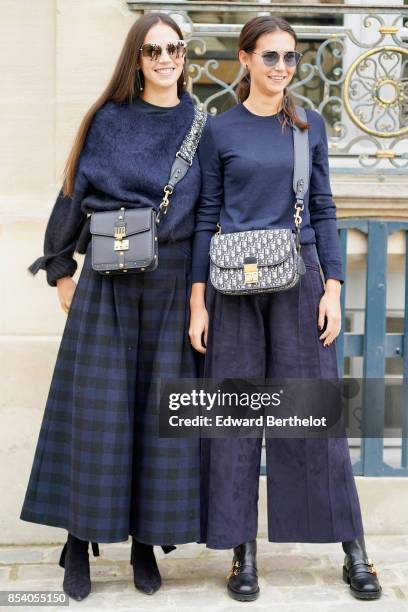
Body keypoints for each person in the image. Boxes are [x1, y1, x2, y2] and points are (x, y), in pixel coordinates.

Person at [189, 15, 382, 602]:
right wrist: (198, 301)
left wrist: (334, 288)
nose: (281, 68)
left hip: (299, 280)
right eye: (269, 57)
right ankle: (242, 556)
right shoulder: (218, 131)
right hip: (233, 286)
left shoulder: (308, 125)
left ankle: (354, 549)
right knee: (237, 421)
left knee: (313, 416)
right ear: (244, 59)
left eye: (290, 58)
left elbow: (324, 208)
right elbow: (205, 217)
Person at [21, 12, 205, 601]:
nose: (164, 58)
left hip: (173, 282)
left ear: (185, 55)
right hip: (109, 277)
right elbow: (74, 190)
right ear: (136, 58)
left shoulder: (202, 123)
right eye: (152, 50)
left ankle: (145, 545)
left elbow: (210, 213)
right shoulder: (108, 120)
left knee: (156, 420)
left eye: (173, 48)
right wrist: (59, 269)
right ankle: (78, 542)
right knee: (97, 420)